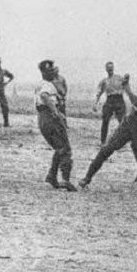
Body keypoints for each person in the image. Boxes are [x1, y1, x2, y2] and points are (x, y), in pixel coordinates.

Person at [79, 70, 137, 193]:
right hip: (130, 122)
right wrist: (126, 87)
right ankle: (86, 178)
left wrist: (127, 88)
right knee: (106, 149)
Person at [35, 60, 76, 192]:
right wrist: (56, 112)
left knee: (59, 148)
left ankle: (52, 176)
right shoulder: (47, 85)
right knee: (65, 148)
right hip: (50, 118)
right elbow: (45, 97)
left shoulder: (43, 84)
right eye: (50, 71)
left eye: (53, 70)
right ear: (44, 72)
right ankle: (65, 180)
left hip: (43, 118)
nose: (53, 72)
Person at [94, 62, 127, 144]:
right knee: (105, 120)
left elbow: (127, 87)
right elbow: (99, 93)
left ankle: (122, 141)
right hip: (109, 100)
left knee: (122, 122)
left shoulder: (119, 78)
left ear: (113, 68)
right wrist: (95, 104)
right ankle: (103, 142)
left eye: (111, 68)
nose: (110, 70)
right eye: (108, 69)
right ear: (106, 69)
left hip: (119, 99)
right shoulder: (104, 81)